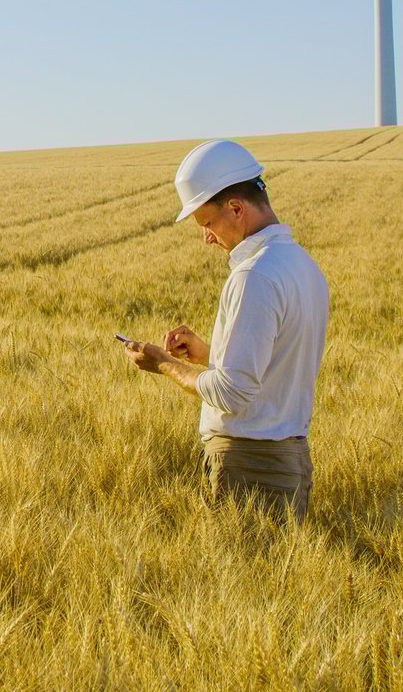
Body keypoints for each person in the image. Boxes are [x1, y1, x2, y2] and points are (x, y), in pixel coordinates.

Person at [125, 139, 330, 520]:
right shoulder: (302, 265)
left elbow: (233, 394)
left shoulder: (255, 275)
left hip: (251, 465)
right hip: (290, 458)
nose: (206, 238)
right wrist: (206, 353)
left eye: (206, 223)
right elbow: (275, 365)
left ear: (236, 208)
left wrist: (163, 364)